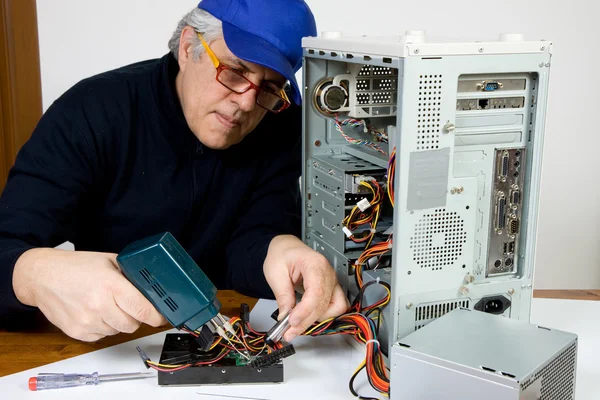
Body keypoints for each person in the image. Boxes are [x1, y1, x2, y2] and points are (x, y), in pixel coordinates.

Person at [0, 0, 348, 342]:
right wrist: (31, 274)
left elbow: (255, 237)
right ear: (187, 47)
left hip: (225, 338)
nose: (245, 102)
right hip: (114, 339)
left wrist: (282, 248)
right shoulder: (91, 113)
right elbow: (6, 244)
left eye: (269, 87)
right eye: (234, 71)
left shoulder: (279, 123)